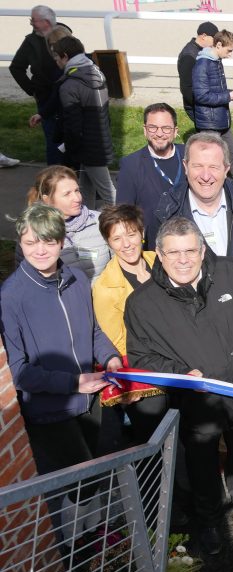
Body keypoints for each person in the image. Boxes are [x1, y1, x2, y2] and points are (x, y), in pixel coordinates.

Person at [125, 217, 233, 555]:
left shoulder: (232, 272)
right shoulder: (142, 304)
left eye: (191, 250)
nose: (183, 259)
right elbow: (141, 357)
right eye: (173, 252)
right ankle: (209, 517)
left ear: (202, 249)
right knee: (201, 460)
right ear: (158, 255)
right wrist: (179, 373)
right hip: (195, 401)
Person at [0, 204, 121, 538]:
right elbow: (20, 371)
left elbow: (94, 331)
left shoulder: (76, 278)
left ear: (61, 240)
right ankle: (75, 553)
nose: (40, 250)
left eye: (49, 241)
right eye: (30, 242)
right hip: (52, 412)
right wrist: (73, 383)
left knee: (97, 475)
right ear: (20, 245)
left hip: (89, 398)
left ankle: (100, 541)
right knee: (77, 488)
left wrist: (109, 357)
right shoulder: (10, 298)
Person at [91, 204, 168, 441]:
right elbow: (116, 343)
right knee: (156, 439)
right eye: (117, 238)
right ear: (108, 242)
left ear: (142, 233)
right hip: (146, 370)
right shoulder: (105, 288)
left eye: (131, 234)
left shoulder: (160, 261)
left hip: (180, 359)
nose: (126, 244)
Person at [149, 131, 233, 260]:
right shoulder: (165, 213)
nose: (206, 176)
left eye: (213, 167)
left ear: (226, 169)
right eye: (198, 166)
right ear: (185, 166)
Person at [53, 36, 116, 209]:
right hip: (100, 138)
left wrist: (70, 148)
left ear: (65, 56)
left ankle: (130, 226)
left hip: (86, 145)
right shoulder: (97, 73)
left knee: (110, 194)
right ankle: (86, 221)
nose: (57, 62)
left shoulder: (69, 85)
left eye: (57, 58)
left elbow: (73, 124)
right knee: (85, 188)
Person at [23, 165, 110, 281]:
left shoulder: (99, 221)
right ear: (47, 199)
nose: (77, 198)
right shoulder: (32, 232)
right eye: (67, 194)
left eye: (77, 190)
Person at [192, 29, 233, 185]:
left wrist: (232, 93)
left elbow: (215, 91)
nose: (230, 54)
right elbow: (201, 96)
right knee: (214, 163)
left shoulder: (216, 62)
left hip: (222, 120)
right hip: (210, 124)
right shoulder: (202, 64)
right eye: (229, 50)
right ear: (218, 45)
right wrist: (228, 96)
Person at [116, 103, 185, 230]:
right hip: (152, 242)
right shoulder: (131, 165)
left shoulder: (190, 156)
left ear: (175, 131)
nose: (159, 133)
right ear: (145, 130)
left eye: (166, 128)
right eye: (153, 127)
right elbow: (123, 213)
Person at [11, 5, 63, 165]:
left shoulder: (63, 35)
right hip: (45, 96)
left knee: (69, 137)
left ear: (46, 22)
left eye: (34, 20)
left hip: (66, 94)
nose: (31, 23)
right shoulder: (31, 42)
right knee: (52, 138)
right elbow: (16, 67)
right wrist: (32, 90)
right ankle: (54, 177)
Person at [177, 21, 218, 123]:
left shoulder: (202, 51)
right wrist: (204, 104)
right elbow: (186, 88)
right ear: (204, 36)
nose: (216, 42)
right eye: (214, 38)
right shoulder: (189, 56)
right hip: (197, 105)